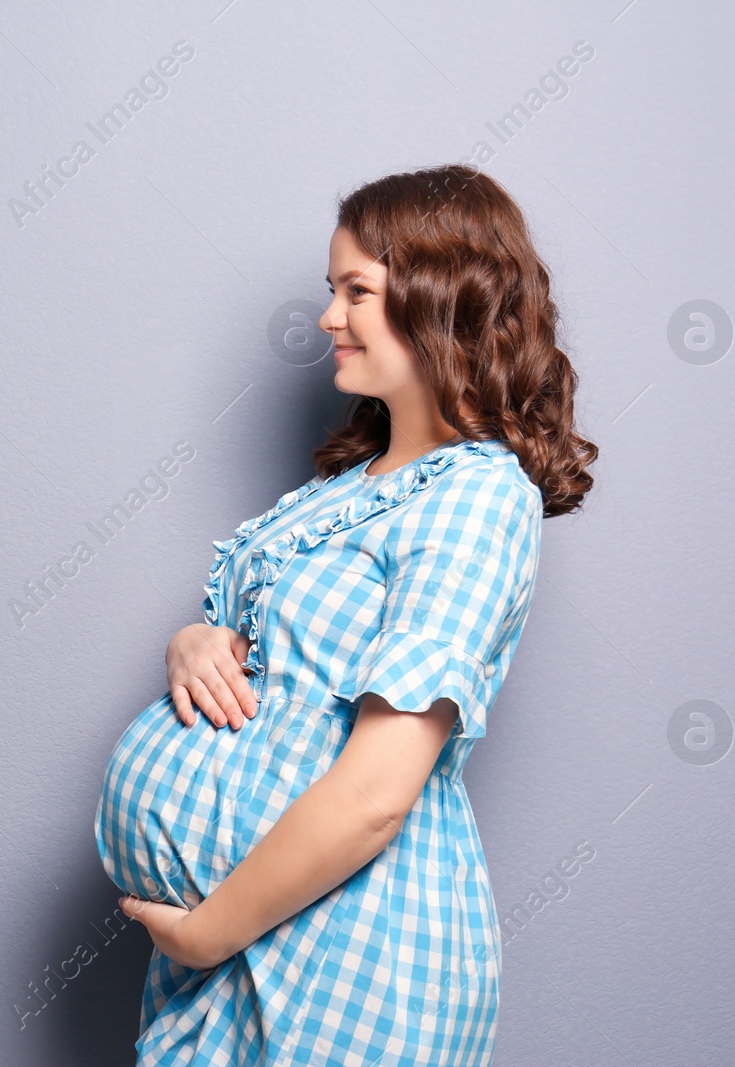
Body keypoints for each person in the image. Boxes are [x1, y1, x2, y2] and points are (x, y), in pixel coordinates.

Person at [94, 163, 598, 1066]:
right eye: (333, 291)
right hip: (240, 950)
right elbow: (264, 657)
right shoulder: (342, 489)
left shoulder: (479, 497)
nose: (329, 317)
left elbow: (376, 794)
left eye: (356, 290)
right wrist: (191, 643)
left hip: (344, 956)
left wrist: (209, 933)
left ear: (444, 298)